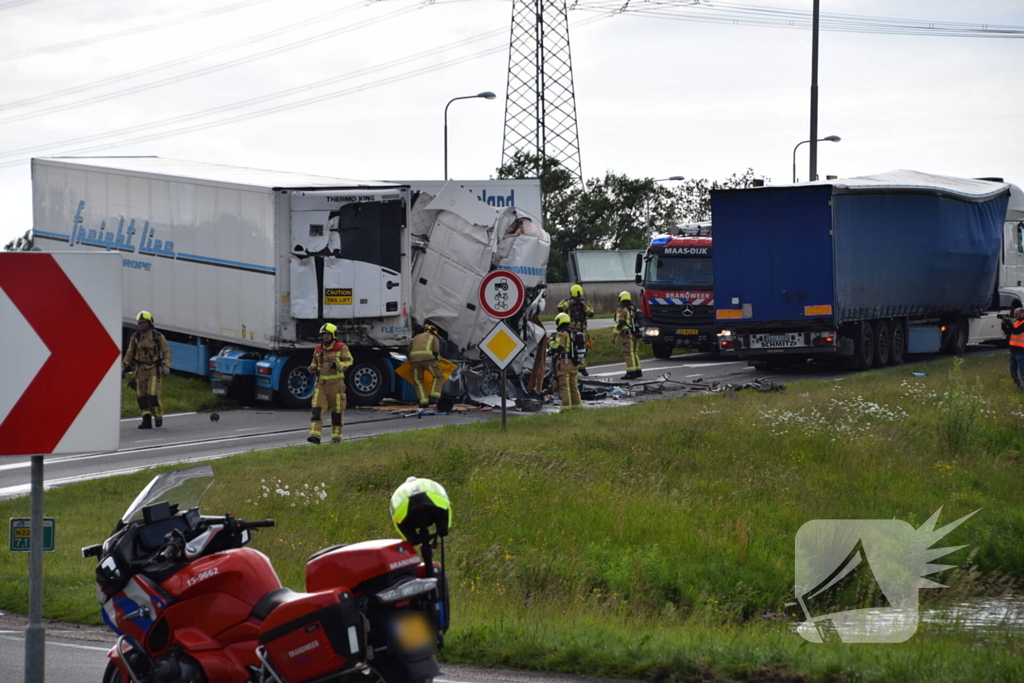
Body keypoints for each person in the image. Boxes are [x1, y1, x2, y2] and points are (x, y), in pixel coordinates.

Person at [122, 311, 172, 429]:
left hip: (153, 369)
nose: (142, 325)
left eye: (144, 322)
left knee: (152, 394)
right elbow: (130, 352)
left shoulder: (157, 336)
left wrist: (166, 365)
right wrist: (124, 366)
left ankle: (158, 416)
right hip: (140, 370)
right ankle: (146, 420)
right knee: (141, 396)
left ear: (150, 322)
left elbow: (166, 351)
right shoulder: (135, 337)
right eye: (140, 323)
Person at [307, 323, 353, 444]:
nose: (326, 336)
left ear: (333, 335)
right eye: (324, 334)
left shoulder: (341, 347)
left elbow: (349, 361)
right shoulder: (318, 348)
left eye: (328, 334)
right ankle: (315, 435)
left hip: (336, 385)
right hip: (321, 384)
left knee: (337, 412)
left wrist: (337, 365)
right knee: (317, 410)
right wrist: (312, 368)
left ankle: (336, 437)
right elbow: (314, 363)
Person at [556, 284, 595, 375]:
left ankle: (582, 367)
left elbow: (591, 313)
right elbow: (560, 308)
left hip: (582, 330)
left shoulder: (585, 302)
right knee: (571, 348)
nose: (577, 298)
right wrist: (570, 302)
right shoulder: (566, 301)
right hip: (570, 330)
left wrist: (584, 305)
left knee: (582, 348)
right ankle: (573, 367)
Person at [549, 312, 581, 411]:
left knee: (564, 386)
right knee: (573, 386)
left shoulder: (561, 333)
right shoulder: (573, 333)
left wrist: (550, 341)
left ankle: (566, 408)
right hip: (574, 364)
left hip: (564, 364)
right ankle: (577, 406)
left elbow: (558, 346)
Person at [409, 324, 444, 409]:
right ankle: (434, 397)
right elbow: (435, 352)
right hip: (428, 359)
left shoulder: (416, 337)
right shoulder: (434, 337)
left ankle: (423, 402)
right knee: (438, 376)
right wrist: (438, 359)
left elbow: (409, 350)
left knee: (418, 380)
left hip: (414, 360)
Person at [614, 291, 643, 381]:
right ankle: (638, 371)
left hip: (627, 335)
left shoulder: (621, 309)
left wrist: (614, 335)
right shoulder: (634, 308)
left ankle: (630, 373)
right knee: (634, 352)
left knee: (628, 353)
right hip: (636, 334)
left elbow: (620, 323)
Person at [1002, 307, 1024, 391]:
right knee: (1013, 372)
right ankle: (1021, 389)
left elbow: (1016, 331)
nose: (1014, 316)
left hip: (1021, 351)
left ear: (1022, 314)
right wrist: (1004, 323)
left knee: (1022, 372)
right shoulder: (1016, 322)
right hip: (1013, 351)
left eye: (1016, 314)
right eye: (1014, 314)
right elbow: (1008, 331)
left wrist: (1008, 321)